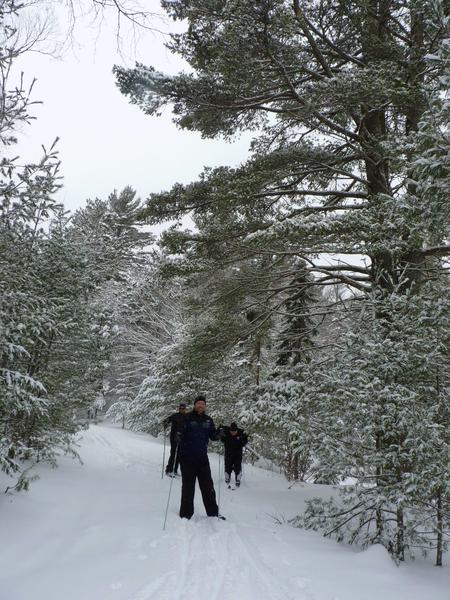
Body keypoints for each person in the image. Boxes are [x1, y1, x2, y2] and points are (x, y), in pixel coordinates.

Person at [176, 395, 224, 520]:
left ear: (205, 406)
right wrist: (179, 435)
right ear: (194, 405)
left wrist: (219, 434)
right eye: (198, 403)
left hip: (202, 458)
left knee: (208, 486)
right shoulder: (187, 417)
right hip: (187, 458)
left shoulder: (208, 420)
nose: (201, 405)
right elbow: (180, 430)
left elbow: (213, 436)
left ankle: (213, 513)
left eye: (203, 403)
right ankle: (185, 514)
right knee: (188, 487)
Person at [219, 422, 248, 487]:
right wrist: (220, 433)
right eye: (231, 431)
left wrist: (244, 439)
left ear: (237, 430)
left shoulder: (240, 433)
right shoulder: (226, 433)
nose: (233, 433)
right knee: (228, 466)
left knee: (237, 467)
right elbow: (221, 438)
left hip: (238, 454)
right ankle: (227, 477)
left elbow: (244, 442)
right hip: (228, 453)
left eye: (234, 431)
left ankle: (238, 479)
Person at [163, 402, 187, 476]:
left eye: (183, 408)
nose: (182, 409)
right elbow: (167, 420)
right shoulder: (175, 415)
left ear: (185, 409)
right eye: (180, 408)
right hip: (174, 437)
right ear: (178, 408)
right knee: (173, 453)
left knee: (179, 455)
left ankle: (175, 470)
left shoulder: (187, 417)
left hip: (182, 438)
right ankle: (169, 469)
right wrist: (165, 423)